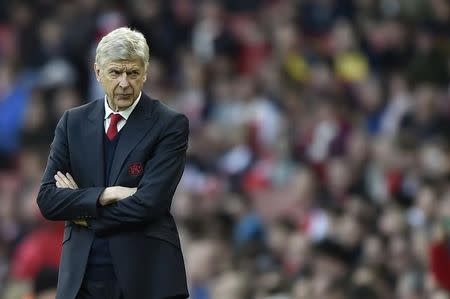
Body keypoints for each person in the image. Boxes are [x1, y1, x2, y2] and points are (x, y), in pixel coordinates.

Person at [36, 27, 189, 299]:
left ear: (145, 73)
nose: (124, 83)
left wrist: (82, 212)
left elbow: (148, 204)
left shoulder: (169, 124)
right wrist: (107, 195)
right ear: (98, 72)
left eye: (132, 73)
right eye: (115, 72)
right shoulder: (73, 122)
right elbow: (47, 199)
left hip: (145, 276)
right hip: (80, 278)